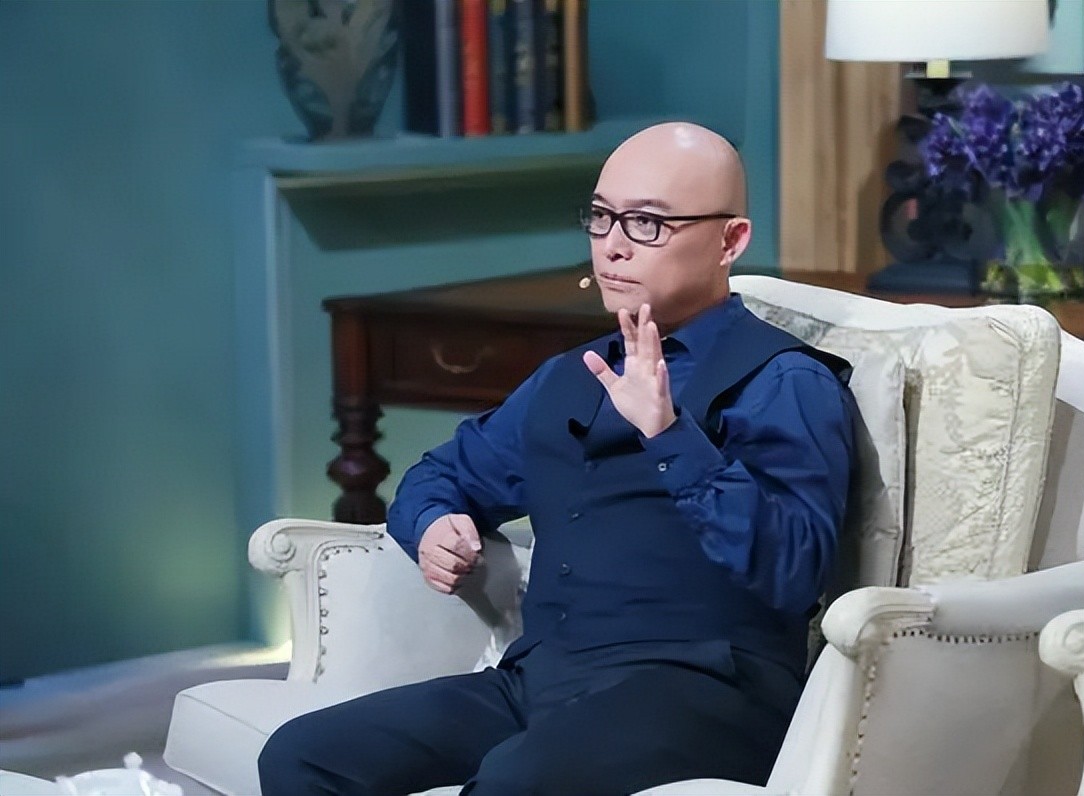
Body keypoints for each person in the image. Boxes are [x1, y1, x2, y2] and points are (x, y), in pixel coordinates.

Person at [258, 122, 859, 796]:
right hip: (543, 679)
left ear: (731, 241)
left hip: (707, 691)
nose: (613, 245)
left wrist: (668, 434)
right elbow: (441, 474)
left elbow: (794, 569)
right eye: (601, 217)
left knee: (512, 783)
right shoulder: (571, 375)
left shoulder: (785, 381)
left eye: (647, 224)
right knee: (303, 756)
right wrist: (432, 523)